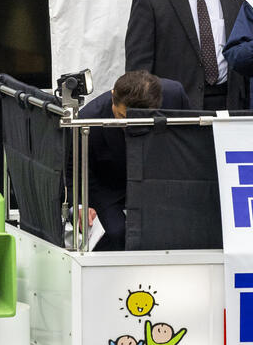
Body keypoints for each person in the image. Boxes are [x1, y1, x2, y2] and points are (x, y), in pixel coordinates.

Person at [77, 70, 190, 250]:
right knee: (117, 232)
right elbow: (75, 168)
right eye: (122, 117)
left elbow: (187, 141)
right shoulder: (88, 119)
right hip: (108, 187)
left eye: (140, 120)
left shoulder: (174, 95)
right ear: (113, 96)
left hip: (158, 177)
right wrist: (82, 204)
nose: (129, 125)